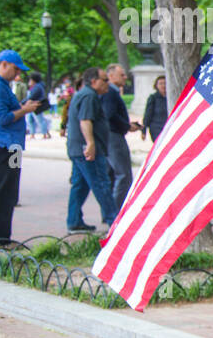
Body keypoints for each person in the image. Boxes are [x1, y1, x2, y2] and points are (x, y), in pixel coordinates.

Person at [0, 50, 40, 245]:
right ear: (4, 64)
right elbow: (2, 118)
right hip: (6, 145)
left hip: (4, 144)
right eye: (15, 69)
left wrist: (22, 106)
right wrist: (24, 110)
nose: (17, 74)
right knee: (5, 192)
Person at [66, 66, 118, 233]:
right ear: (94, 81)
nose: (107, 83)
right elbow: (85, 120)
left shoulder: (84, 94)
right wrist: (91, 143)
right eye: (104, 79)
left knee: (80, 186)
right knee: (101, 184)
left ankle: (74, 220)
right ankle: (115, 222)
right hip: (86, 151)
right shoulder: (89, 95)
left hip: (77, 149)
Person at [101, 64, 140, 211]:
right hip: (114, 136)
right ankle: (117, 212)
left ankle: (109, 212)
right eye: (121, 75)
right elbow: (109, 114)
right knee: (123, 175)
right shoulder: (110, 92)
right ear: (111, 76)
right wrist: (126, 126)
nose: (125, 77)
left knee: (111, 174)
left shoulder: (111, 92)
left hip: (110, 135)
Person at [141, 75, 169, 143]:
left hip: (168, 127)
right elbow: (147, 115)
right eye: (161, 83)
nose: (163, 86)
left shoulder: (170, 97)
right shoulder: (153, 98)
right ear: (156, 85)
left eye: (165, 83)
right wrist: (143, 131)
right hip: (156, 129)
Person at [25, 72, 50, 139]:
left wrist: (23, 102)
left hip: (36, 106)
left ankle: (44, 134)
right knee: (31, 120)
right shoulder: (36, 86)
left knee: (40, 120)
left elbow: (31, 97)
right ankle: (32, 134)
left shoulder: (37, 87)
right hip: (33, 105)